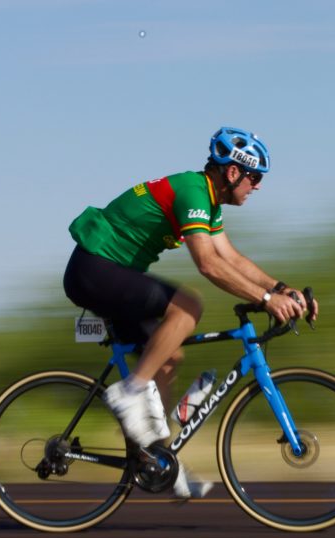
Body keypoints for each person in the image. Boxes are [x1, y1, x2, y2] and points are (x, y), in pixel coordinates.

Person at [62, 127, 316, 499]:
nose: (257, 186)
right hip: (94, 269)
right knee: (189, 305)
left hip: (111, 273)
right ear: (233, 173)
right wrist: (265, 300)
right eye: (255, 177)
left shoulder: (207, 201)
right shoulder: (193, 192)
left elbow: (230, 257)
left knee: (168, 357)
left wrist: (279, 289)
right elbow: (209, 265)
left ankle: (158, 460)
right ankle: (129, 391)